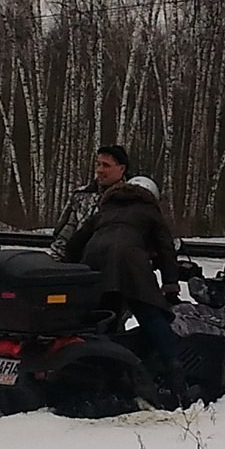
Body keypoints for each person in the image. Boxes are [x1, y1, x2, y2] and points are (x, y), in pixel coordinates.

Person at [67, 174, 188, 403]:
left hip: (94, 263)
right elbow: (166, 249)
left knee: (104, 322)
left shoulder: (105, 210)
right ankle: (176, 376)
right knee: (152, 315)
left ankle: (101, 378)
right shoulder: (149, 212)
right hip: (131, 265)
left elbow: (74, 243)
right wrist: (170, 285)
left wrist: (71, 272)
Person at [46, 144, 130, 261]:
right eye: (98, 164)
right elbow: (64, 235)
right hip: (77, 266)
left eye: (106, 165)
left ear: (121, 169)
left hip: (113, 264)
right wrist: (57, 263)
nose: (99, 170)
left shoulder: (131, 199)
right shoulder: (81, 195)